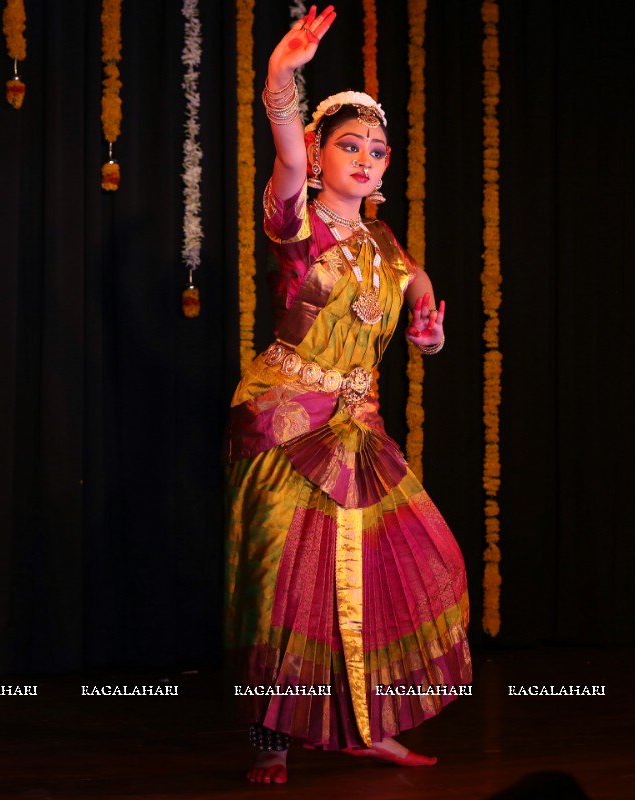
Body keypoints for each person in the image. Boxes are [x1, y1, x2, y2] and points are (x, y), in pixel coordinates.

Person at [225, 5, 471, 785]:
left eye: (376, 150)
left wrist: (429, 334)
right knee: (285, 580)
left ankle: (366, 723)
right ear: (323, 156)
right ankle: (270, 734)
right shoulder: (296, 223)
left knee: (378, 573)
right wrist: (280, 78)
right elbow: (287, 158)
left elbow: (421, 300)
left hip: (357, 427)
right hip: (285, 421)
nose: (365, 159)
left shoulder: (388, 247)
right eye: (349, 145)